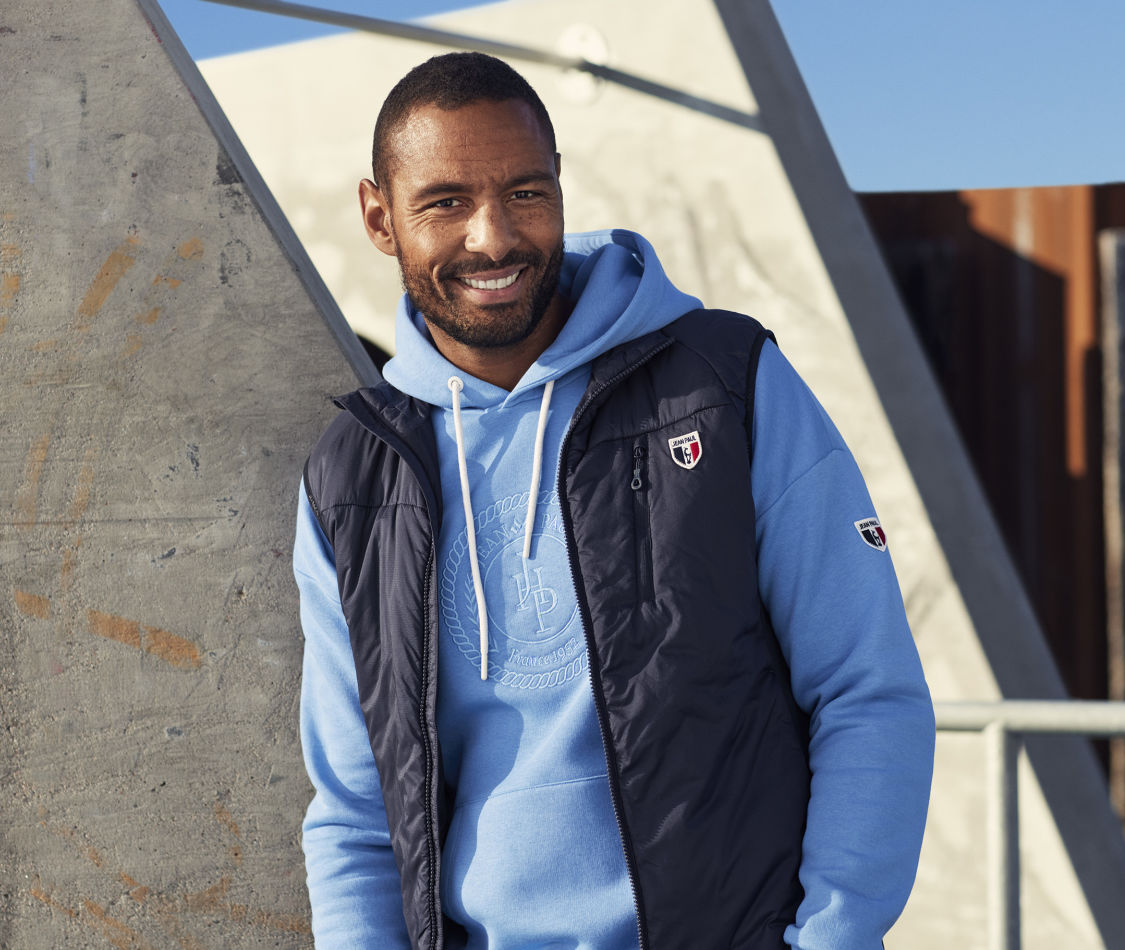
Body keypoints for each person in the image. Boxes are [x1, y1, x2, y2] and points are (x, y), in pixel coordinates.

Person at [293, 51, 934, 950]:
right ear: (379, 217)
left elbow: (867, 691)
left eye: (525, 193)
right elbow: (356, 812)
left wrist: (831, 939)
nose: (493, 238)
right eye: (445, 203)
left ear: (560, 186)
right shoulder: (358, 477)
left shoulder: (723, 386)